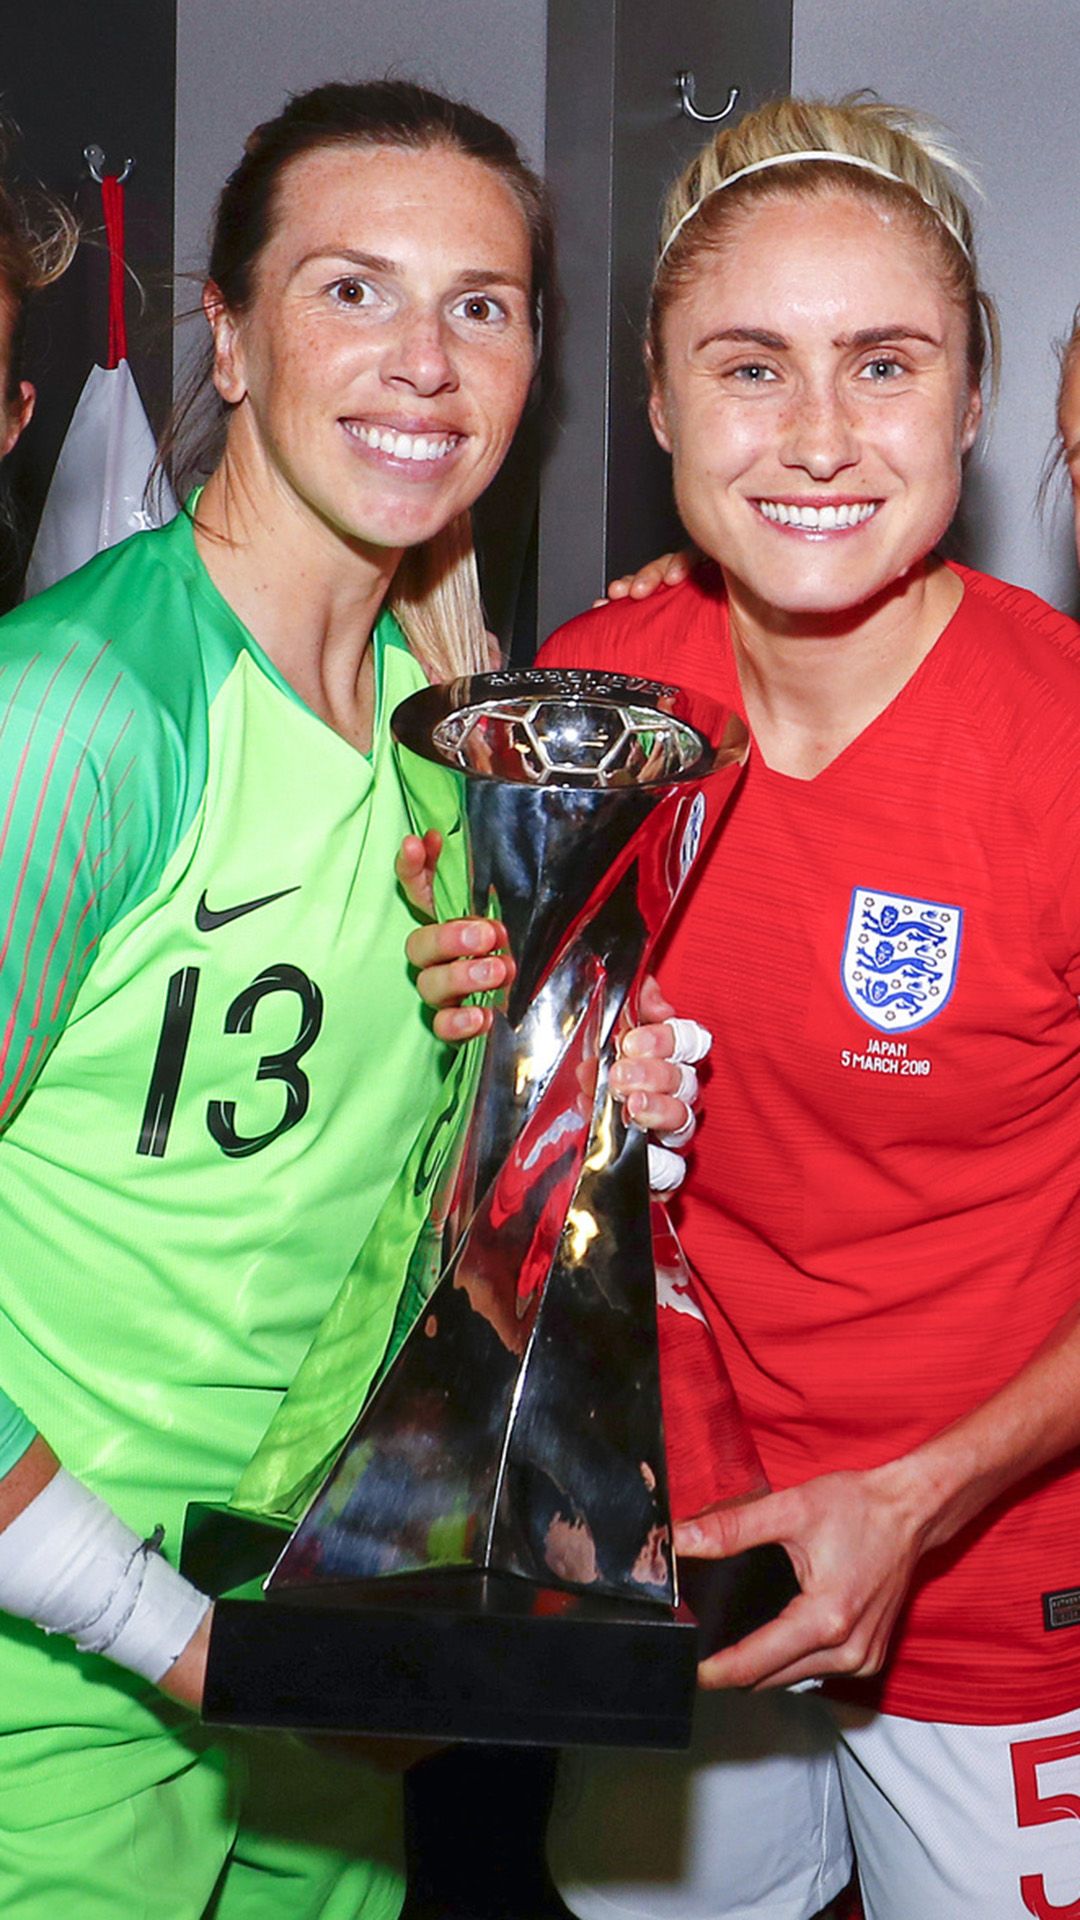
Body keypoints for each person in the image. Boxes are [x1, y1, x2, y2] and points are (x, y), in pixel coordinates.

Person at [0, 79, 698, 1919]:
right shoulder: (73, 719)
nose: (425, 362)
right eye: (352, 289)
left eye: (483, 305)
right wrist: (165, 1634)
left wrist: (587, 1095)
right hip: (61, 1700)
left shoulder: (447, 741)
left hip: (314, 1684)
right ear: (227, 338)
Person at [528, 92, 1080, 1920]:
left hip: (999, 1587)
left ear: (972, 401)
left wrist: (919, 1499)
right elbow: (504, 1121)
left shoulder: (1059, 741)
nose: (822, 435)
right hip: (678, 1546)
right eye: (751, 367)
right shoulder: (599, 694)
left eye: (886, 365)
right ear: (658, 403)